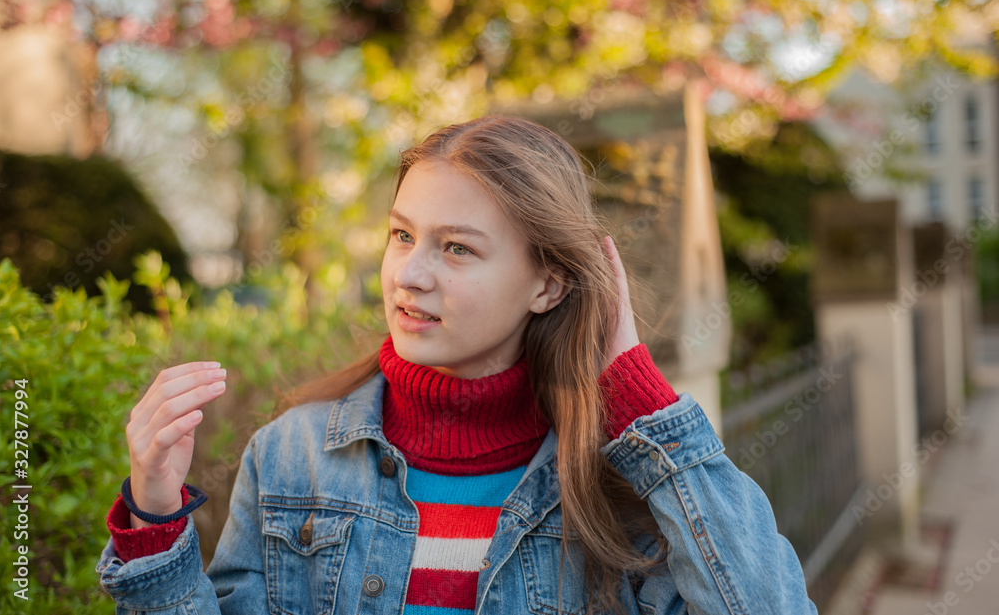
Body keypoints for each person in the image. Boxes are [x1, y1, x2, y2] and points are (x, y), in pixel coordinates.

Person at [96, 115, 818, 614]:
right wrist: (156, 512)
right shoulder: (292, 456)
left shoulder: (615, 483)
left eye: (456, 248)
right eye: (402, 235)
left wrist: (639, 395)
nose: (408, 275)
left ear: (549, 283)